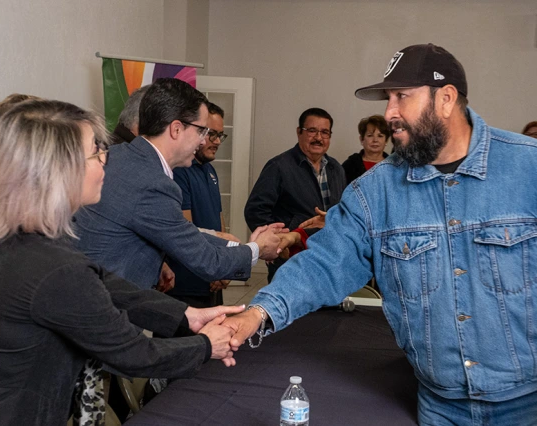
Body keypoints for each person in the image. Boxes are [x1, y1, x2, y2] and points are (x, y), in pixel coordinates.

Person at [224, 43, 537, 425]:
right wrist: (256, 314)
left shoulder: (528, 167)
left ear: (447, 98)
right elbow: (323, 264)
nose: (390, 112)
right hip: (441, 407)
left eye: (402, 96)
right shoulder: (373, 192)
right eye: (388, 98)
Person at [0, 98, 245, 426]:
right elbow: (133, 354)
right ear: (58, 169)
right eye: (96, 151)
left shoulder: (1, 236)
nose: (106, 161)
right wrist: (205, 346)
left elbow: (99, 280)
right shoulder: (54, 269)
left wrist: (185, 314)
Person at [74, 78, 282, 291]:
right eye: (201, 131)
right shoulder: (153, 183)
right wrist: (258, 249)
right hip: (100, 305)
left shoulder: (118, 155)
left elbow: (178, 233)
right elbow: (207, 261)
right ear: (176, 129)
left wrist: (242, 247)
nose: (203, 141)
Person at [244, 107, 346, 281]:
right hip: (290, 257)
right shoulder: (279, 167)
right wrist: (277, 243)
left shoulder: (336, 168)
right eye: (312, 131)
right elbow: (255, 211)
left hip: (327, 257)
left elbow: (342, 211)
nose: (318, 138)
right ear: (299, 132)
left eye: (325, 132)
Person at [168, 102, 234, 307]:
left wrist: (223, 265)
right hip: (186, 283)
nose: (216, 142)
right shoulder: (179, 171)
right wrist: (214, 268)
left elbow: (219, 220)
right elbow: (187, 230)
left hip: (212, 278)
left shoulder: (209, 170)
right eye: (210, 134)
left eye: (220, 135)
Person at [342, 114, 390, 184]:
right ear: (362, 139)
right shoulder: (350, 165)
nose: (375, 140)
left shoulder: (394, 166)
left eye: (380, 136)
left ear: (386, 140)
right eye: (370, 135)